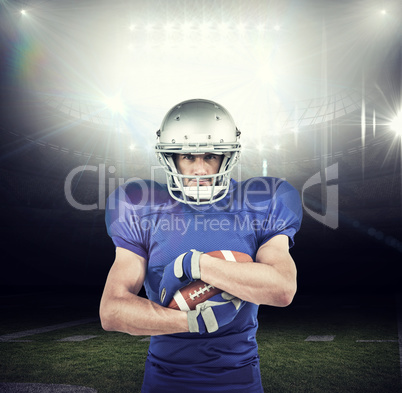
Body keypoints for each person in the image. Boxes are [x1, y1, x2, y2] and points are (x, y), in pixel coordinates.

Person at [100, 98, 303, 393]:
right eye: (188, 157)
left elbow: (283, 288)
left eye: (210, 155)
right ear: (170, 158)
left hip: (240, 379)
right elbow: (112, 310)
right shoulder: (139, 204)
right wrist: (192, 322)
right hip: (164, 380)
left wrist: (197, 264)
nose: (199, 169)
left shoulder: (262, 200)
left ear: (227, 157)